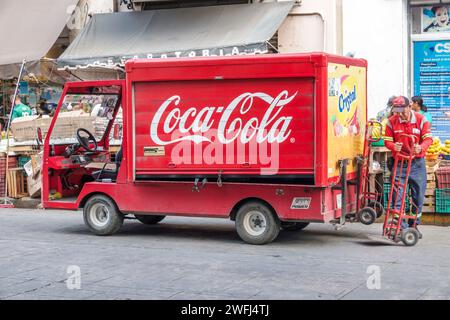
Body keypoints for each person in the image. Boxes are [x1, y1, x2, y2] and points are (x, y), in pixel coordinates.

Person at [383, 96, 433, 238]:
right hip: (399, 163)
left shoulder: (421, 119)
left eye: (402, 110)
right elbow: (387, 140)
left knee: (417, 196)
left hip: (417, 163)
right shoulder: (391, 121)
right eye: (396, 110)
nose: (399, 114)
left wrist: (421, 147)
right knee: (397, 195)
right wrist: (393, 146)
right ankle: (400, 227)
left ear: (409, 106)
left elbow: (428, 139)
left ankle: (414, 225)